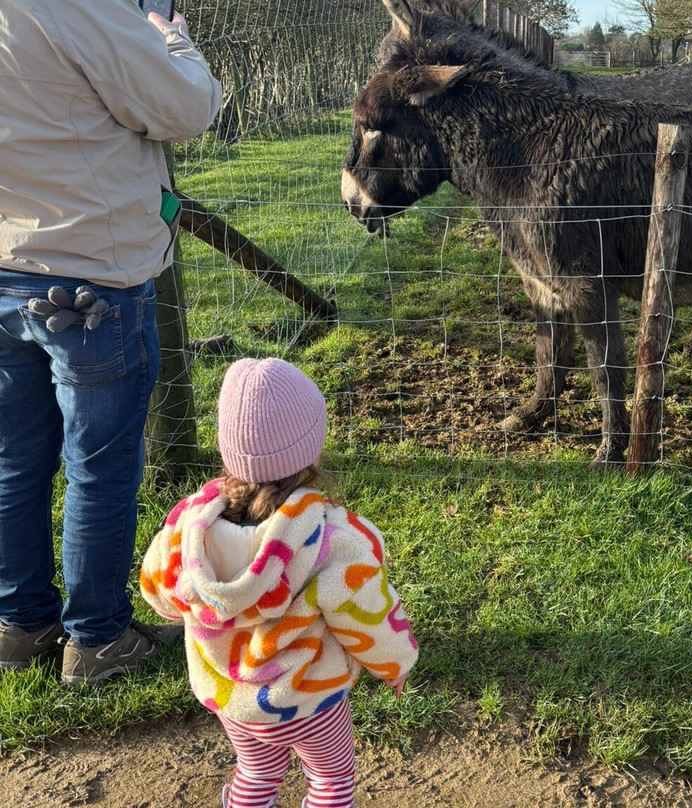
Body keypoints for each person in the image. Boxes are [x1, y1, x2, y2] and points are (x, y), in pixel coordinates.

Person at [0, 1, 222, 682]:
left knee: (13, 455)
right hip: (91, 267)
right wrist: (172, 39)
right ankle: (96, 638)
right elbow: (185, 108)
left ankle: (19, 624)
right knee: (102, 462)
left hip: (6, 264)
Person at [141, 357, 419, 808]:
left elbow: (159, 593)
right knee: (331, 781)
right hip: (309, 702)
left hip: (233, 702)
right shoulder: (332, 539)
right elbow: (367, 613)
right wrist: (395, 663)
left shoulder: (187, 529)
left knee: (256, 773)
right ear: (311, 449)